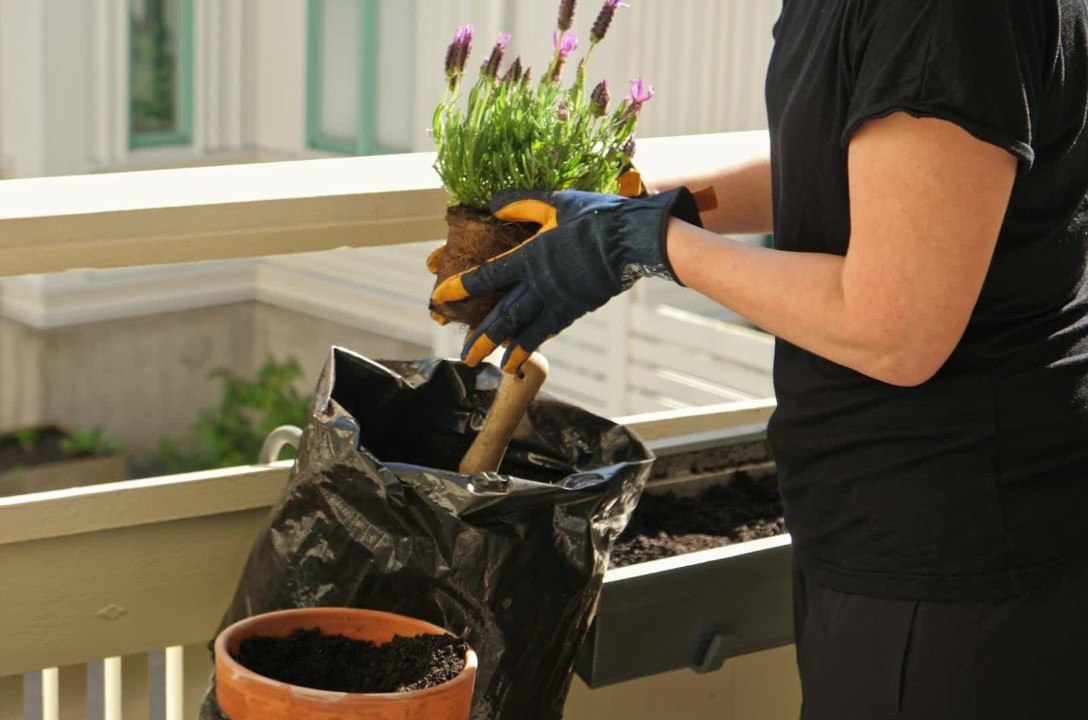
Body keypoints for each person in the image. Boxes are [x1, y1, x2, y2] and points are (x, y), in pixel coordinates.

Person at [429, 0, 1088, 717]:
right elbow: (864, 165)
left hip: (956, 545)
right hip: (893, 521)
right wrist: (626, 197)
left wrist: (641, 243)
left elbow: (893, 330)